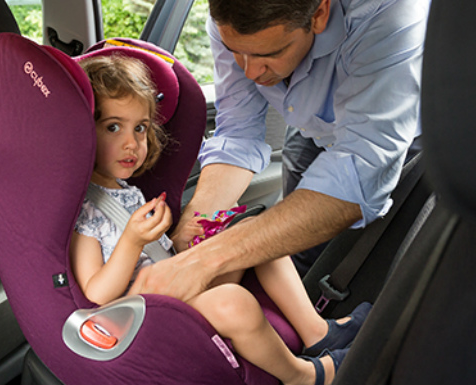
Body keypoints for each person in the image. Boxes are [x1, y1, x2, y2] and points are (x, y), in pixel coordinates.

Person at [70, 54, 371, 385]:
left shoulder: (126, 191)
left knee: (255, 236)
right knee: (233, 303)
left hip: (171, 290)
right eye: (114, 127)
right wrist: (131, 241)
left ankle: (317, 332)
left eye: (140, 127)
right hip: (145, 318)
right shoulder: (86, 209)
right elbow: (97, 295)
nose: (133, 143)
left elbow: (155, 257)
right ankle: (302, 376)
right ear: (83, 129)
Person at [134, 0, 428, 307]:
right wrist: (193, 227)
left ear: (319, 13)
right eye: (235, 51)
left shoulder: (389, 12)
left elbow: (360, 174)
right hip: (311, 129)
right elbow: (238, 133)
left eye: (269, 54)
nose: (249, 72)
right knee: (297, 258)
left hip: (402, 141)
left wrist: (208, 259)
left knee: (371, 265)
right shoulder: (231, 18)